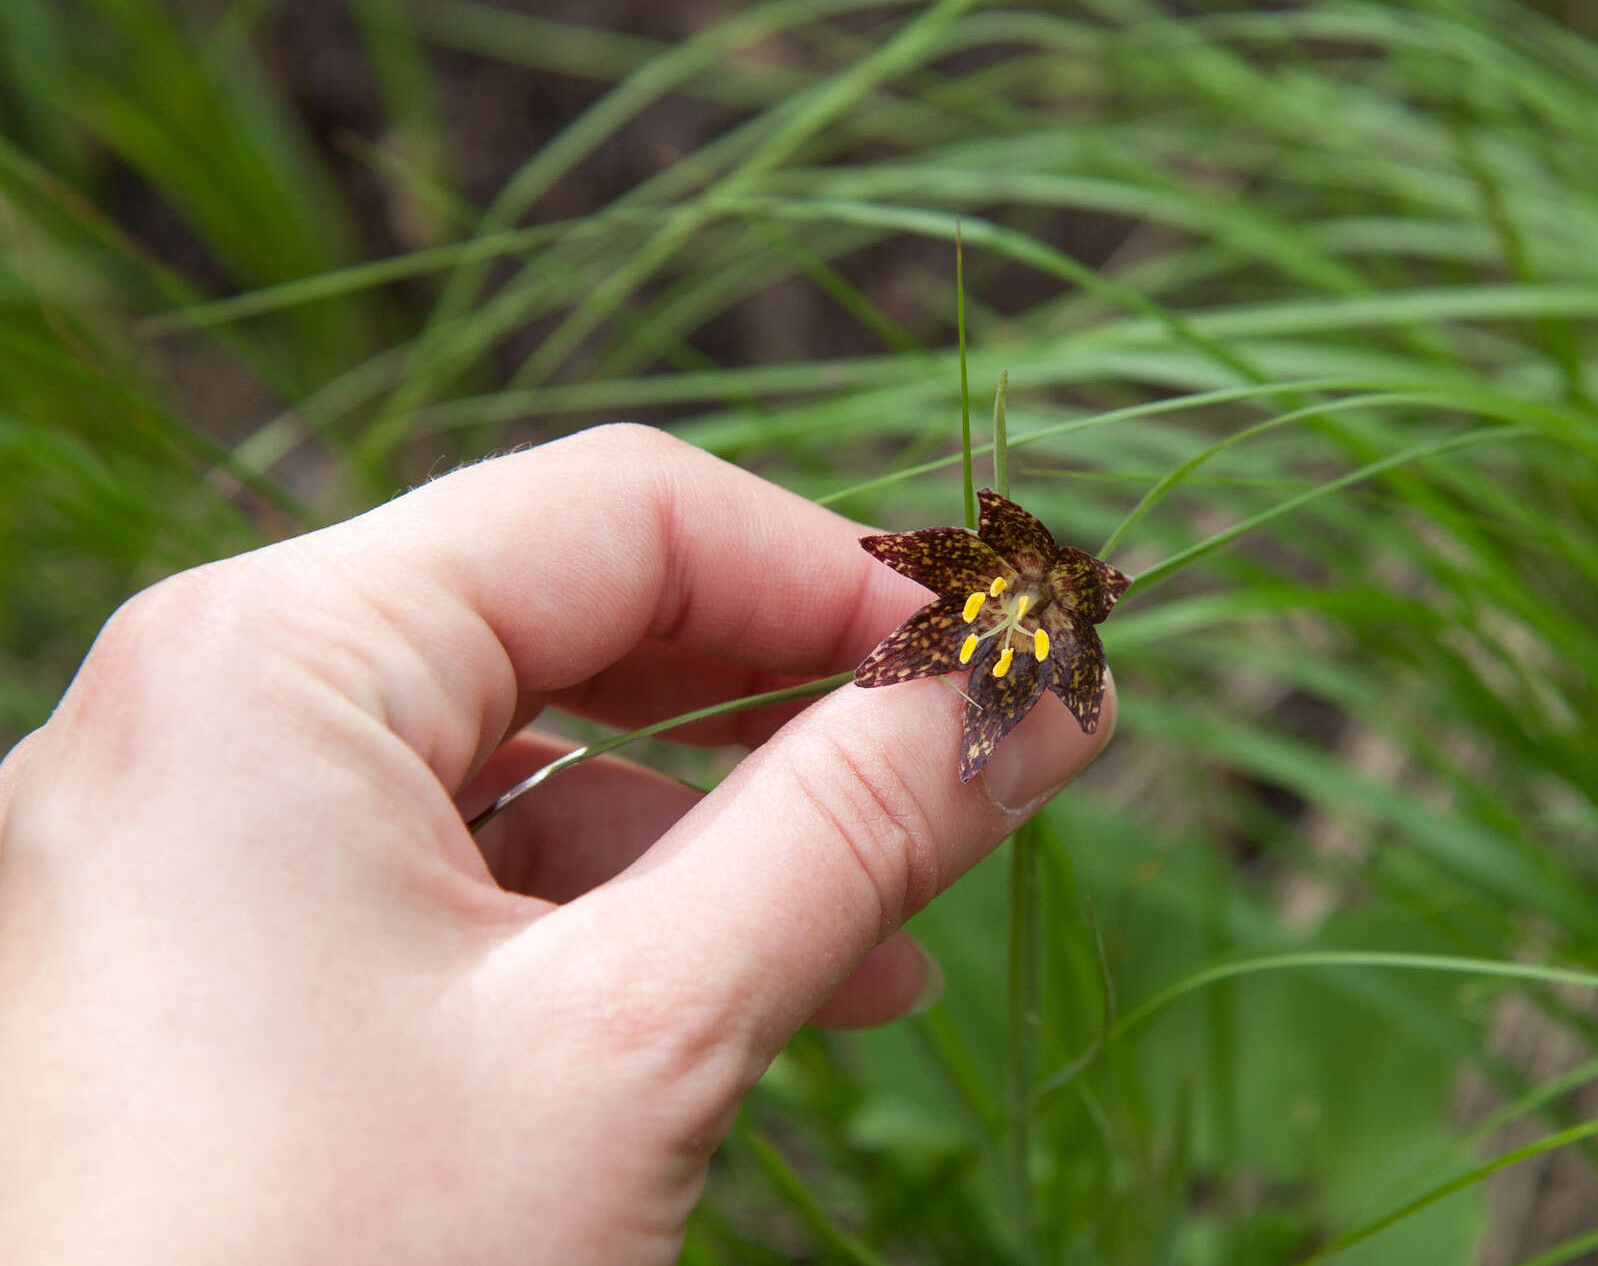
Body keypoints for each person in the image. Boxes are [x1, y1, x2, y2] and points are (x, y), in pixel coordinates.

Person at [0, 424, 1113, 1262]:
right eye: (1015, 601)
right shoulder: (975, 591)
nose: (1011, 619)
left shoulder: (1047, 624)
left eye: (1040, 611)